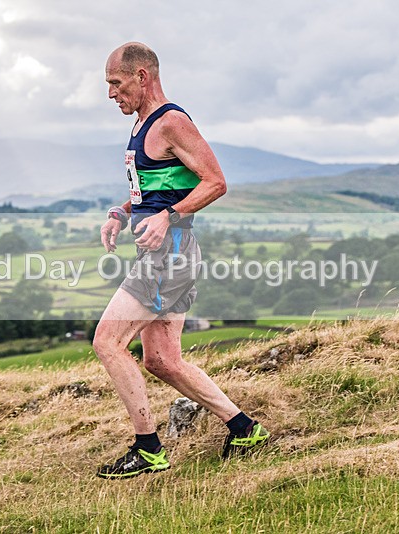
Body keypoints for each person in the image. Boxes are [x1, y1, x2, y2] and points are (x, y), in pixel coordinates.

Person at [93, 42, 269, 479]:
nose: (111, 93)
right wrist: (121, 213)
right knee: (162, 360)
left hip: (169, 255)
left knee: (107, 342)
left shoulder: (171, 122)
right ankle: (244, 429)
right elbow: (153, 192)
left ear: (142, 76)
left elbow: (216, 182)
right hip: (164, 253)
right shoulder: (141, 125)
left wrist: (168, 217)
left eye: (115, 83)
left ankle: (148, 449)